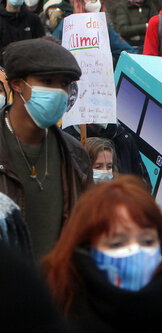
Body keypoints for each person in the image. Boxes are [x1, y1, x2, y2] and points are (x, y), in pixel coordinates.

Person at [42, 176, 162, 332]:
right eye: (117, 243)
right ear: (86, 249)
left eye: (147, 241)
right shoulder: (51, 320)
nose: (135, 251)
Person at [0, 39, 93, 260]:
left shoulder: (75, 155)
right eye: (48, 81)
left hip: (58, 290)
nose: (59, 92)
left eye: (65, 84)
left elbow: (87, 231)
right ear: (17, 84)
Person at [51, 0, 136, 62]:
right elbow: (52, 50)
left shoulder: (103, 27)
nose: (94, 2)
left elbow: (127, 52)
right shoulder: (67, 23)